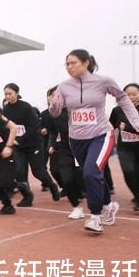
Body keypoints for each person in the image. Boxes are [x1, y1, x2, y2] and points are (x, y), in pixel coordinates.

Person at [50, 49, 139, 233]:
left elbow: (122, 98)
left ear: (86, 63)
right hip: (77, 139)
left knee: (90, 173)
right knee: (92, 176)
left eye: (73, 63)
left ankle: (95, 217)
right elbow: (55, 113)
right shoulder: (63, 86)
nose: (69, 67)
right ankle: (109, 205)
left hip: (101, 135)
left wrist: (135, 120)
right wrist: (54, 104)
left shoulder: (103, 81)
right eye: (66, 64)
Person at [2, 83, 61, 202]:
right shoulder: (6, 109)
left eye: (10, 93)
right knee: (19, 171)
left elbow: (34, 126)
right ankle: (27, 197)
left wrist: (21, 139)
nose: (7, 96)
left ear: (17, 93)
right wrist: (11, 140)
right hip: (18, 146)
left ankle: (52, 186)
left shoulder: (25, 107)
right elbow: (6, 126)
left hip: (33, 143)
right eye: (5, 94)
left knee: (38, 172)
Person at [109, 83, 139, 210]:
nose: (131, 97)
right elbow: (110, 127)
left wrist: (127, 128)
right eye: (128, 94)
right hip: (125, 148)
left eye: (134, 94)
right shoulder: (117, 111)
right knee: (129, 172)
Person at [46, 86, 85, 219]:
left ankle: (104, 204)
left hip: (81, 147)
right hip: (64, 149)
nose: (54, 98)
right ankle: (77, 207)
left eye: (57, 95)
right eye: (52, 96)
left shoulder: (77, 108)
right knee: (66, 179)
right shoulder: (53, 113)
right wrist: (51, 144)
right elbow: (53, 131)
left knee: (86, 177)